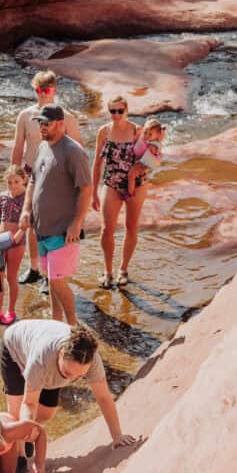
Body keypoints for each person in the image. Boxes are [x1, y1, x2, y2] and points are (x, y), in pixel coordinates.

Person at [0, 319, 139, 473]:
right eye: (68, 374)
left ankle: (27, 438)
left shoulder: (92, 360)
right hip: (15, 348)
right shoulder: (41, 360)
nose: (72, 379)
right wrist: (26, 428)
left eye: (80, 376)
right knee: (17, 411)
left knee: (47, 413)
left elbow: (104, 398)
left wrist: (117, 436)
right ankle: (19, 456)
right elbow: (30, 403)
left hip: (48, 361)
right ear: (60, 354)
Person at [18, 104, 92, 325]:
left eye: (46, 123)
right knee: (51, 280)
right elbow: (32, 180)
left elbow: (86, 189)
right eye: (40, 123)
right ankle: (56, 323)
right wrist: (26, 210)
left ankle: (72, 326)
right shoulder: (43, 147)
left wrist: (76, 223)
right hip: (42, 228)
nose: (42, 127)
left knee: (57, 280)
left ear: (61, 124)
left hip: (62, 230)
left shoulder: (73, 151)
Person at [11, 70, 83, 290]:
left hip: (55, 178)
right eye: (39, 90)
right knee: (30, 225)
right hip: (30, 175)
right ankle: (34, 269)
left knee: (50, 226)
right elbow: (17, 148)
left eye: (47, 90)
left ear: (54, 90)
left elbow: (78, 149)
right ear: (35, 90)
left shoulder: (66, 118)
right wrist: (13, 177)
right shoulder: (25, 116)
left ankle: (49, 274)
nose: (43, 94)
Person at [93, 96, 153, 289]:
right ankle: (108, 271)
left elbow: (151, 159)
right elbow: (97, 163)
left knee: (131, 226)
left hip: (136, 185)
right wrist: (93, 191)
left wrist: (138, 171)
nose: (116, 115)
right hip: (111, 183)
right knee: (106, 229)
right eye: (112, 111)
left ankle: (124, 270)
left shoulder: (138, 131)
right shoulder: (104, 131)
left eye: (120, 111)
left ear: (126, 110)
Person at [0, 166, 29, 325]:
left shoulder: (27, 199)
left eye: (16, 181)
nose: (13, 185)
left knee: (11, 276)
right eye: (9, 182)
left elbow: (27, 224)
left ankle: (11, 310)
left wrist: (16, 239)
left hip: (17, 242)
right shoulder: (2, 197)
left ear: (24, 180)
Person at [127, 117, 165, 199]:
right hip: (138, 159)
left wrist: (143, 166)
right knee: (133, 176)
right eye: (145, 132)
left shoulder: (152, 144)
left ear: (157, 136)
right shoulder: (142, 137)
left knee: (131, 175)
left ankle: (130, 194)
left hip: (143, 162)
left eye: (150, 134)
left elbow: (152, 156)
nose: (146, 136)